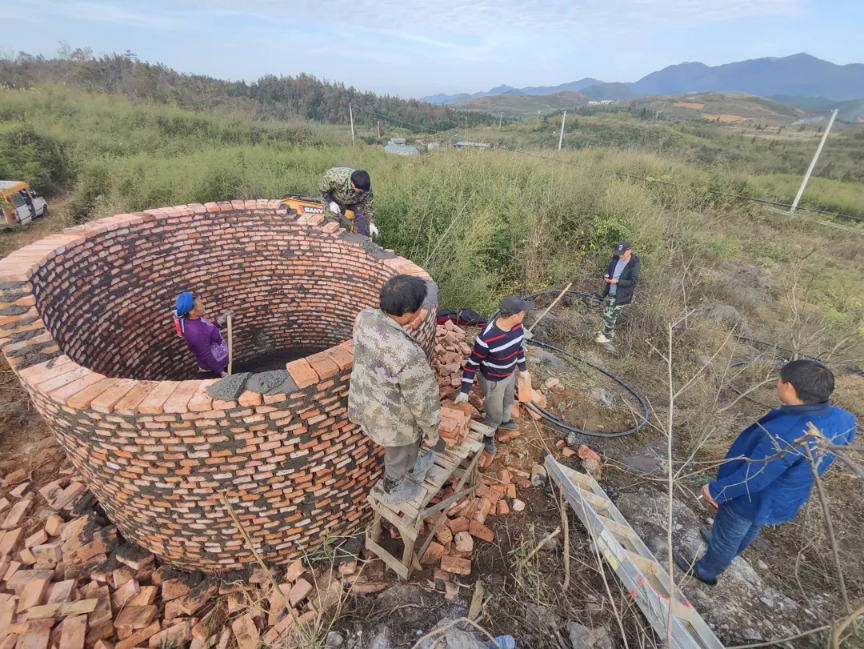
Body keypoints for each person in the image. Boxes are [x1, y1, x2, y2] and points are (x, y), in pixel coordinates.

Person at [675, 360, 856, 585]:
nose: (777, 383)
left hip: (751, 496)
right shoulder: (844, 419)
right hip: (786, 495)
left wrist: (718, 490)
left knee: (732, 527)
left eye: (779, 380)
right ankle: (724, 548)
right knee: (751, 525)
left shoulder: (787, 432)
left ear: (788, 387)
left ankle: (707, 570)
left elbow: (755, 478)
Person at [348, 274, 441, 504]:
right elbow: (423, 401)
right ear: (406, 312)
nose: (422, 311)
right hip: (392, 420)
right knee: (399, 455)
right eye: (420, 307)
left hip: (365, 401)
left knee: (405, 451)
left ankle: (414, 465)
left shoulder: (364, 317)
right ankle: (393, 490)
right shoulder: (408, 355)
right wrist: (432, 433)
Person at [456, 296, 533, 457]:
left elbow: (518, 348)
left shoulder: (518, 328)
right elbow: (472, 364)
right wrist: (464, 390)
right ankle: (488, 436)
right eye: (522, 312)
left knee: (508, 400)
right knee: (494, 413)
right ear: (514, 316)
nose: (524, 314)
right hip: (493, 381)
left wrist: (523, 369)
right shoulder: (486, 338)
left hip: (509, 374)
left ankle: (505, 422)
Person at [174, 292, 234, 377]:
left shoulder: (196, 319)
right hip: (214, 372)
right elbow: (206, 355)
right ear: (191, 311)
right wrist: (223, 374)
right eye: (200, 305)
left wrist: (221, 320)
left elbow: (207, 329)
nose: (203, 306)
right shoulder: (195, 332)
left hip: (220, 365)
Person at [595, 241, 641, 344]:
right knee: (607, 311)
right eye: (619, 253)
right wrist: (606, 275)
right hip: (610, 291)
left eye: (622, 253)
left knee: (610, 315)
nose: (620, 255)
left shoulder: (634, 263)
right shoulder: (616, 258)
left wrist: (618, 282)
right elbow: (608, 269)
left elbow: (632, 282)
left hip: (621, 295)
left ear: (629, 251)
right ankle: (608, 331)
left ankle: (607, 336)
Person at [317, 167, 378, 238]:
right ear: (353, 184)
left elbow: (368, 205)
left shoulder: (366, 187)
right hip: (333, 199)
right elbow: (322, 189)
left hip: (352, 200)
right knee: (334, 225)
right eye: (361, 191)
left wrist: (371, 223)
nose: (363, 192)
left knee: (362, 216)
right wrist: (331, 202)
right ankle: (335, 241)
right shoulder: (336, 178)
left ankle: (362, 239)